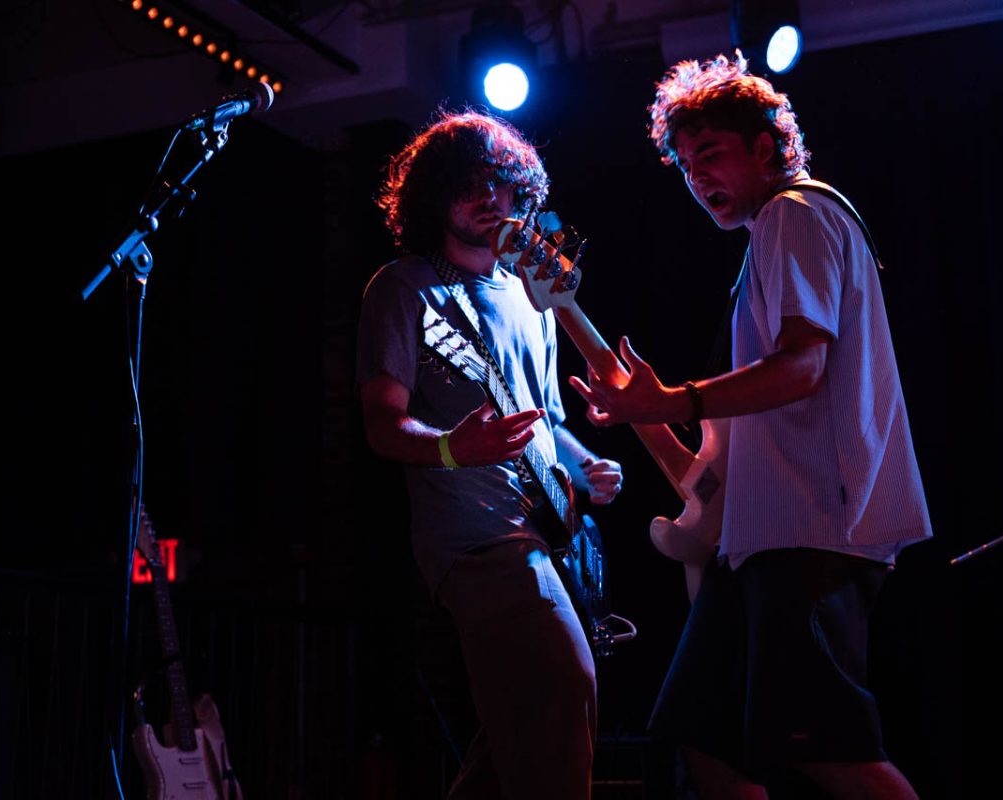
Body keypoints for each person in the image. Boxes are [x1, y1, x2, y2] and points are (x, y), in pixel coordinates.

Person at [568, 54, 932, 799]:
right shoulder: (780, 230)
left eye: (713, 155)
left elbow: (802, 369)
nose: (699, 178)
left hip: (811, 533)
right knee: (700, 737)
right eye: (685, 164)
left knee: (830, 748)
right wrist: (652, 410)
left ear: (765, 146)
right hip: (759, 540)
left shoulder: (792, 215)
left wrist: (667, 401)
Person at [357, 109, 623, 800]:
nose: (488, 197)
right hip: (476, 540)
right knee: (567, 685)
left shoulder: (536, 299)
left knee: (512, 746)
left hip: (547, 533)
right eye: (466, 184)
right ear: (433, 196)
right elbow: (383, 425)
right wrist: (451, 446)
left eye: (501, 182)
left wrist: (582, 463)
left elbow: (544, 423)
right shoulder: (404, 288)